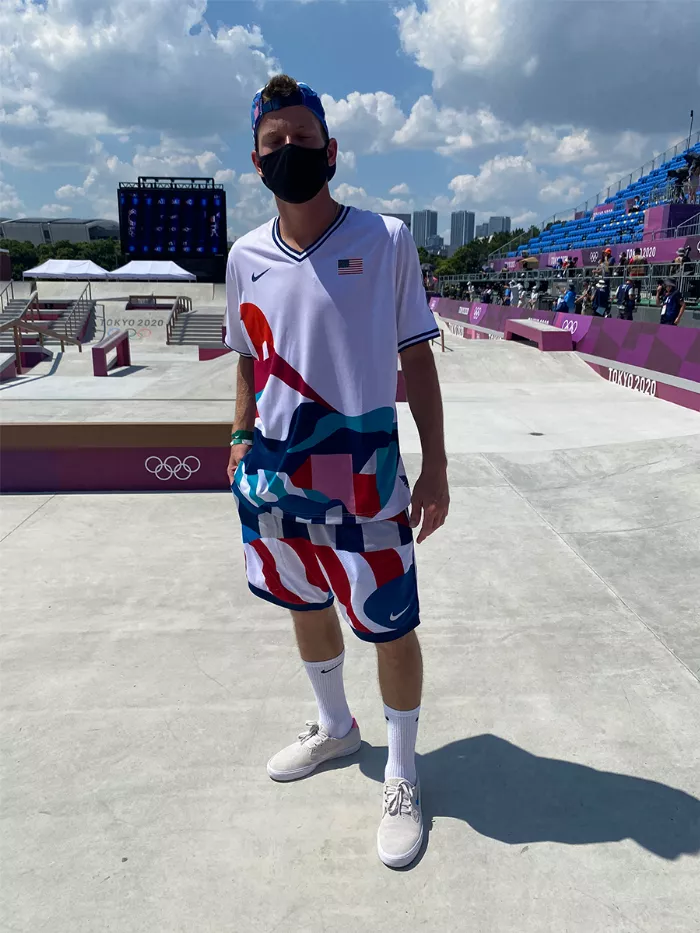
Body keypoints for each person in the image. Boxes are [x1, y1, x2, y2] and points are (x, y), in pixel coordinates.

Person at [225, 75, 449, 869]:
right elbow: (248, 356)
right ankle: (335, 726)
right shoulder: (244, 255)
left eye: (303, 138)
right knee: (301, 598)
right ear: (255, 162)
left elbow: (416, 358)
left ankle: (401, 769)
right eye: (275, 142)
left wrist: (436, 465)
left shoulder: (385, 238)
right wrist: (240, 433)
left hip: (364, 470)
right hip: (276, 476)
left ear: (332, 150)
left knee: (390, 621)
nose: (292, 151)